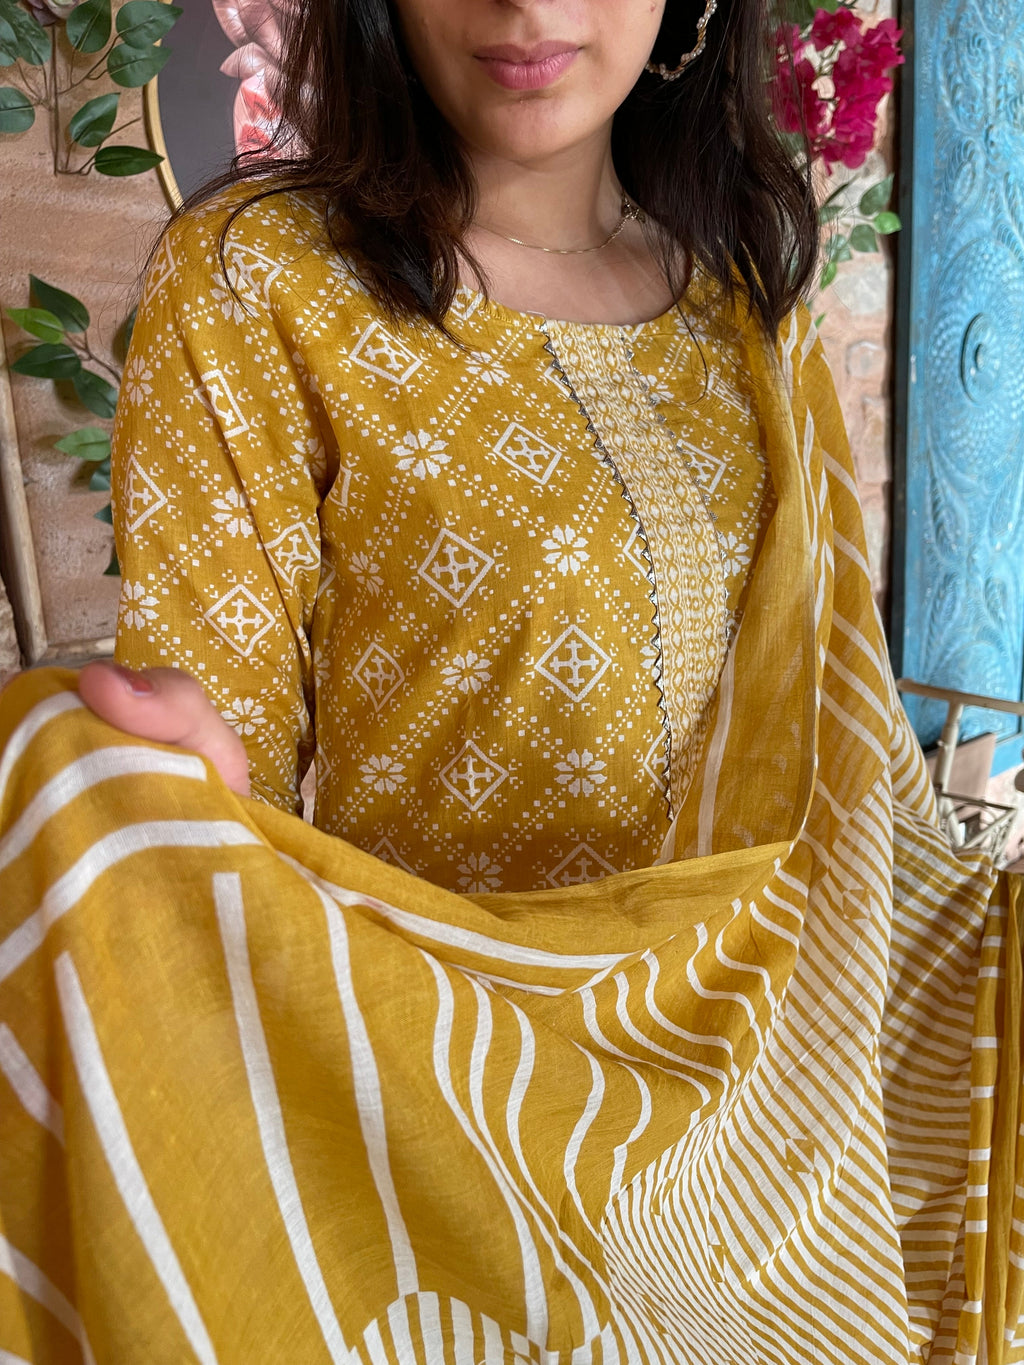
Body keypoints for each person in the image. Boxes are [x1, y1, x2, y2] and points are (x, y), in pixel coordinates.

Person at [0, 0, 1020, 1362]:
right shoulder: (262, 281)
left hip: (758, 1170)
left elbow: (845, 780)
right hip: (443, 1143)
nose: (526, 8)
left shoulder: (747, 308)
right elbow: (216, 807)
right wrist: (169, 785)